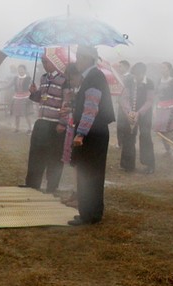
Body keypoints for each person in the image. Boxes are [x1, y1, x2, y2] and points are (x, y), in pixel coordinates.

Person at [68, 45, 115, 226]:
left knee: (89, 173)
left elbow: (91, 108)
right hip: (95, 131)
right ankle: (91, 212)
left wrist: (80, 133)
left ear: (88, 58)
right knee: (91, 173)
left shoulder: (94, 77)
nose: (77, 60)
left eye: (79, 57)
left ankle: (89, 214)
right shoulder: (91, 77)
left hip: (92, 133)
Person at [21, 55, 69, 193]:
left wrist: (63, 122)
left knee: (54, 156)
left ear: (54, 62)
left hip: (55, 124)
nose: (44, 64)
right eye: (42, 62)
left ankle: (52, 186)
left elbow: (67, 102)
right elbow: (41, 99)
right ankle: (32, 184)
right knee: (36, 154)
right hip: (41, 122)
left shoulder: (64, 80)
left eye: (46, 62)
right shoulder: (43, 78)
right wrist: (34, 93)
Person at [120, 62, 155, 173]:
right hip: (130, 112)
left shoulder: (149, 83)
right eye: (135, 75)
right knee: (128, 137)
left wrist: (139, 113)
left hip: (144, 114)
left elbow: (149, 101)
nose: (136, 77)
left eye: (138, 75)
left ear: (143, 73)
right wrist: (129, 112)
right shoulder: (129, 81)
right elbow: (124, 98)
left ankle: (149, 164)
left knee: (145, 136)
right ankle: (128, 164)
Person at [11, 64, 32, 132]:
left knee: (26, 113)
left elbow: (32, 86)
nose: (20, 71)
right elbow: (9, 84)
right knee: (17, 114)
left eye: (22, 69)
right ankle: (17, 128)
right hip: (17, 97)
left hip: (26, 96)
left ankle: (30, 128)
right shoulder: (15, 78)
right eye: (19, 69)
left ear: (25, 70)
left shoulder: (28, 78)